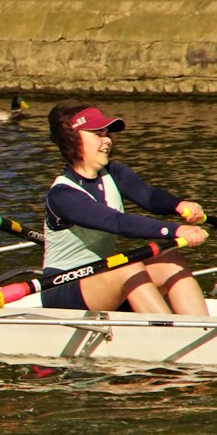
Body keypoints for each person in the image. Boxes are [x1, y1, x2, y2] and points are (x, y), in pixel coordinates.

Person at [42, 100, 209, 315]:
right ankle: (171, 336)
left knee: (172, 260)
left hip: (102, 277)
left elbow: (148, 197)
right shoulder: (63, 195)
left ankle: (201, 331)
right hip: (62, 287)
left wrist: (179, 205)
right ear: (72, 139)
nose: (107, 141)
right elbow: (117, 223)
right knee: (129, 266)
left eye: (106, 133)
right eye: (97, 134)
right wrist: (176, 230)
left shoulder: (114, 173)